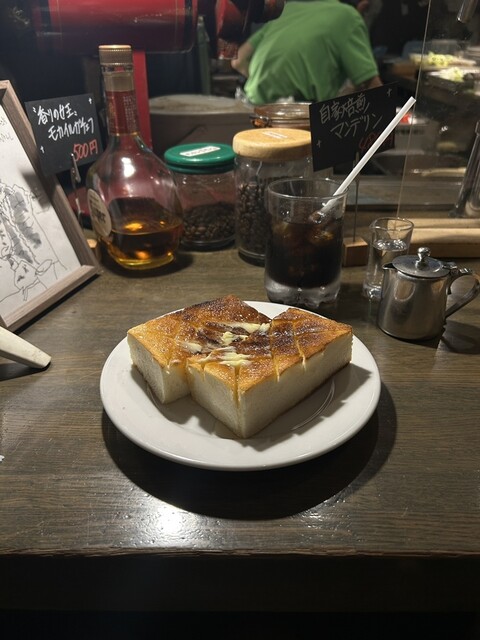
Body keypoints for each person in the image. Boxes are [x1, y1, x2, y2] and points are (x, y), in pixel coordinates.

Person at [231, 0, 382, 105]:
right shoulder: (348, 16)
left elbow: (238, 60)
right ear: (363, 6)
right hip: (299, 116)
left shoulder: (288, 10)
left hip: (253, 109)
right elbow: (372, 85)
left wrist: (267, 84)